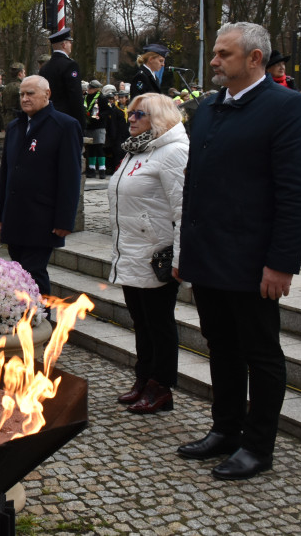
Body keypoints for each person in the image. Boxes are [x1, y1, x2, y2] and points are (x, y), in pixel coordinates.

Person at [176, 22, 301, 480]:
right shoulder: (209, 109)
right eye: (216, 53)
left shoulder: (289, 108)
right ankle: (226, 429)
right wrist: (187, 250)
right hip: (209, 254)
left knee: (260, 353)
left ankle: (258, 446)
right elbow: (194, 185)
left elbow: (298, 194)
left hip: (253, 260)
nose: (214, 61)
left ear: (254, 58)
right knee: (220, 347)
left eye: (224, 54)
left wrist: (281, 263)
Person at [107, 94, 188, 414]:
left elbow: (183, 209)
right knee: (141, 321)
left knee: (159, 323)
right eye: (129, 113)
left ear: (158, 116)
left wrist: (181, 258)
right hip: (132, 250)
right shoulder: (136, 149)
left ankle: (161, 386)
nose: (131, 118)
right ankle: (144, 378)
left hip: (158, 254)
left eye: (139, 114)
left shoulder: (173, 152)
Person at [0, 75, 83, 294]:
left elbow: (70, 176)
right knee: (18, 271)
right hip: (15, 214)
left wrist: (64, 219)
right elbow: (6, 172)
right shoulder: (15, 127)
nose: (24, 98)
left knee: (33, 272)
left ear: (47, 94)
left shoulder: (64, 126)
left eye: (30, 93)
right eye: (22, 94)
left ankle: (40, 322)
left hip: (42, 215)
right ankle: (23, 319)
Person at [38, 27, 85, 128]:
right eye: (69, 42)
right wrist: (81, 123)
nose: (70, 45)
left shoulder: (44, 68)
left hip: (47, 117)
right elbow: (75, 96)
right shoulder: (70, 66)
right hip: (66, 119)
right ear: (64, 45)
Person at [83, 79, 109, 178]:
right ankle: (91, 169)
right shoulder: (86, 97)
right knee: (91, 148)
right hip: (89, 126)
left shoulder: (102, 98)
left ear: (96, 89)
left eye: (90, 88)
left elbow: (108, 110)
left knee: (99, 147)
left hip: (99, 126)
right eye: (88, 87)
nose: (88, 89)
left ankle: (102, 169)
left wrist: (100, 116)